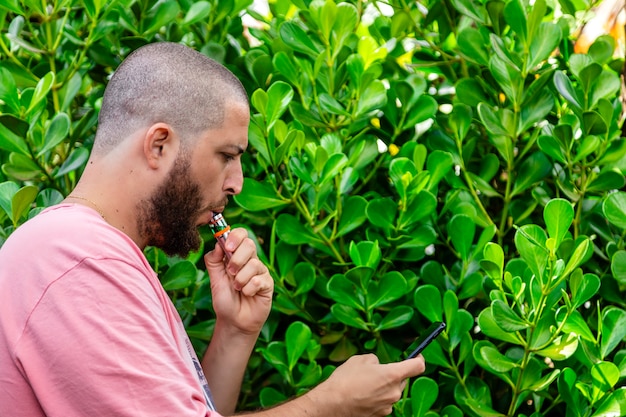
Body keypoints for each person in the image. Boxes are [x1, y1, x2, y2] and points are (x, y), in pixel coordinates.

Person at [0, 42, 425, 417]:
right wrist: (330, 404)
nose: (237, 183)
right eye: (227, 155)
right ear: (159, 144)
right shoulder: (76, 260)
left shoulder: (90, 254)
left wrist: (236, 333)